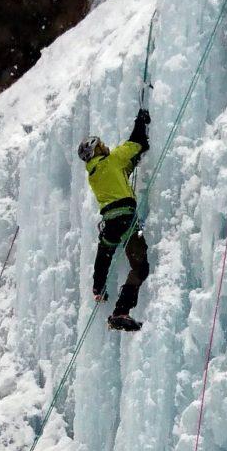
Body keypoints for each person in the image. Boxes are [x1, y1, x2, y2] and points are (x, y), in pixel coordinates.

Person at [77, 108, 152, 332]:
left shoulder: (94, 174)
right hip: (126, 220)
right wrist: (141, 120)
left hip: (110, 223)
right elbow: (137, 143)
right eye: (100, 145)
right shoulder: (112, 161)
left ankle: (98, 288)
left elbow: (120, 174)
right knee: (140, 266)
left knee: (105, 253)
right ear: (96, 150)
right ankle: (121, 310)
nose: (104, 146)